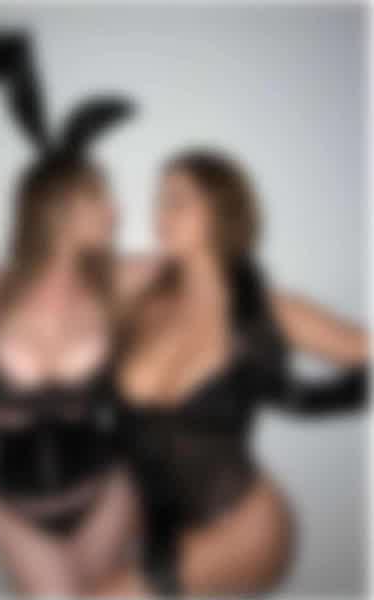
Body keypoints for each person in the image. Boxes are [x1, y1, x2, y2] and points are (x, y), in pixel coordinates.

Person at [0, 29, 140, 595]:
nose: (117, 211)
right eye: (101, 195)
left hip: (108, 494)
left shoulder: (118, 282)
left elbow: (208, 264)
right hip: (17, 513)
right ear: (57, 206)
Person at [95, 149, 368, 597]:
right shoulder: (141, 298)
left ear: (220, 211)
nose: (160, 214)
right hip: (155, 527)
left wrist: (308, 399)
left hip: (243, 527)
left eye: (177, 200)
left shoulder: (268, 312)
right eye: (159, 201)